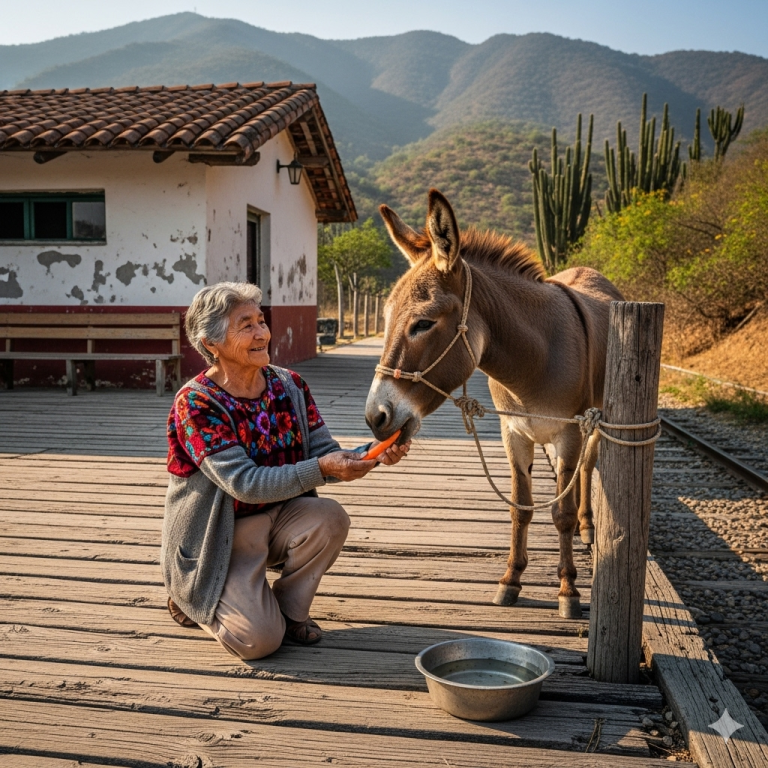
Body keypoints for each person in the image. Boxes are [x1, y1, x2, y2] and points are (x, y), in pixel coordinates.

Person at [162, 282, 409, 660]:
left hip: (279, 518)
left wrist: (371, 454)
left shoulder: (289, 385)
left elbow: (324, 453)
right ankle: (192, 595)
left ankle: (290, 611)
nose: (262, 333)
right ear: (210, 342)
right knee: (258, 642)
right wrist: (323, 468)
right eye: (245, 325)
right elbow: (243, 483)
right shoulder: (195, 403)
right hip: (222, 535)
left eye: (261, 321)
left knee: (329, 516)